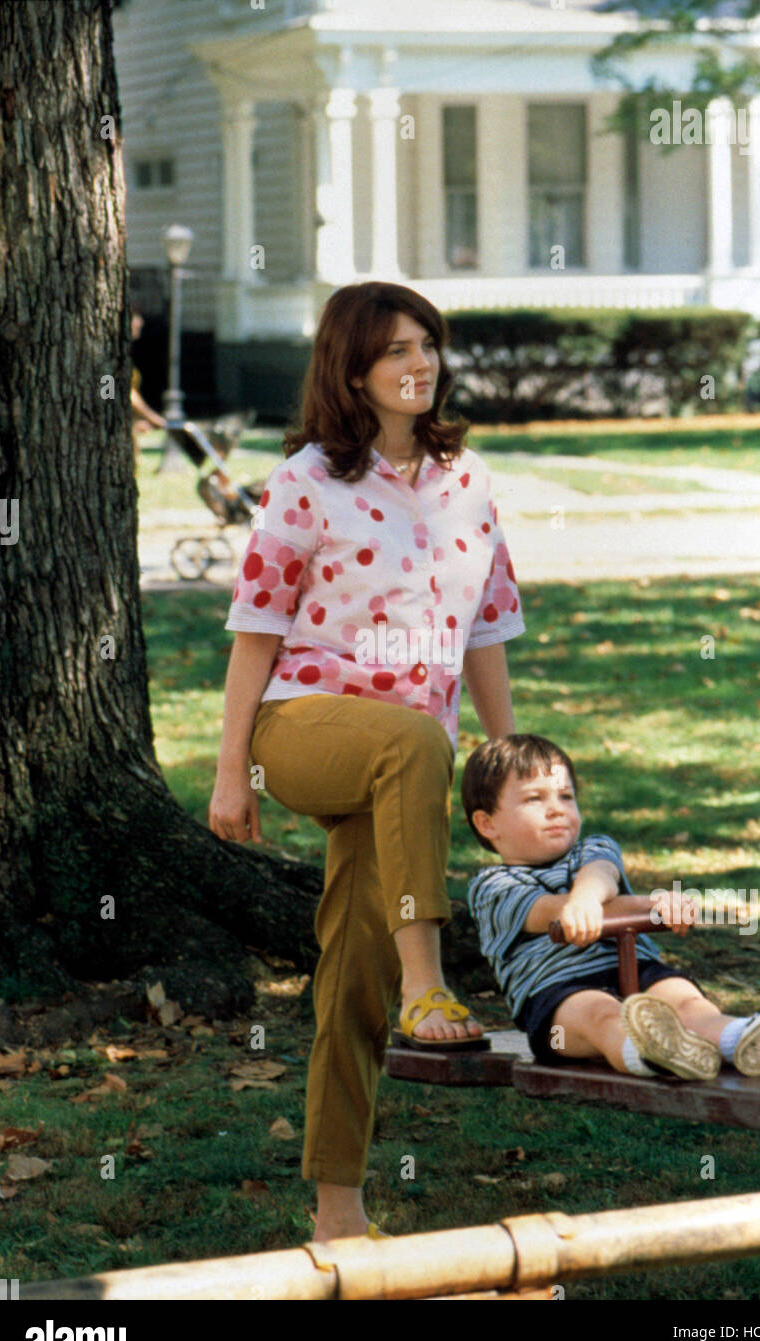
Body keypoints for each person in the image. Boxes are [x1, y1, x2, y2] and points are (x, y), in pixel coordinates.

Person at [208, 282, 525, 1242]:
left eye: (426, 344)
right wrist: (230, 773)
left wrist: (508, 761)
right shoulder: (305, 481)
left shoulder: (467, 480)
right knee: (413, 739)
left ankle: (336, 1214)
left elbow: (486, 632)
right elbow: (253, 635)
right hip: (301, 727)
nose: (417, 364)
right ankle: (428, 979)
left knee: (350, 972)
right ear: (351, 368)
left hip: (403, 768)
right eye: (393, 351)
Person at [463, 733, 760, 1079]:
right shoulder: (492, 887)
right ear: (488, 823)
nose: (556, 809)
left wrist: (657, 903)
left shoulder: (594, 849)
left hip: (637, 969)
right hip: (557, 1000)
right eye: (534, 799)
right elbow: (548, 912)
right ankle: (647, 1055)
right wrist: (631, 905)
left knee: (685, 1001)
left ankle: (742, 1039)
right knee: (600, 1015)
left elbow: (601, 875)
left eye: (566, 796)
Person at [130, 306, 167, 471]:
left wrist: (132, 424)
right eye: (135, 317)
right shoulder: (108, 360)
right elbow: (115, 396)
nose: (140, 322)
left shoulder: (123, 355)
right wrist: (155, 419)